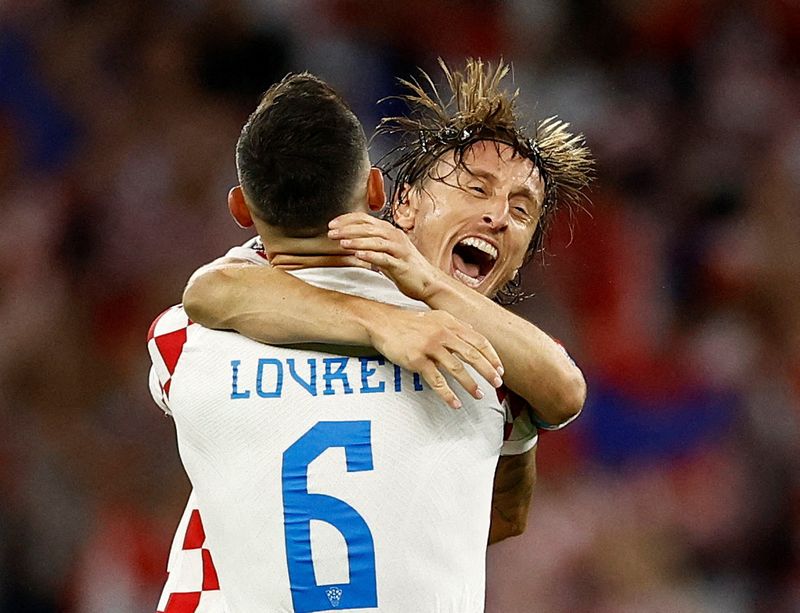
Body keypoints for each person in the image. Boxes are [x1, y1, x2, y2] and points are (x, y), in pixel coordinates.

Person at [148, 71, 540, 612]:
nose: (495, 217)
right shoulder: (483, 363)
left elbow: (209, 293)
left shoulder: (183, 342)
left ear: (242, 209)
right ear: (383, 195)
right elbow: (512, 501)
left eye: (520, 210)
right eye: (475, 190)